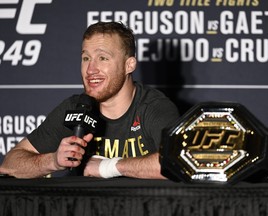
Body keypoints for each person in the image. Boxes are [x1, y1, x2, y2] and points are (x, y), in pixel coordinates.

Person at [0, 21, 179, 179]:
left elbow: (176, 161)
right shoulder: (75, 107)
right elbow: (10, 164)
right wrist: (53, 160)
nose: (91, 69)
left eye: (103, 58)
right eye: (86, 58)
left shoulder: (153, 107)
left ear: (129, 65)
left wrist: (106, 167)